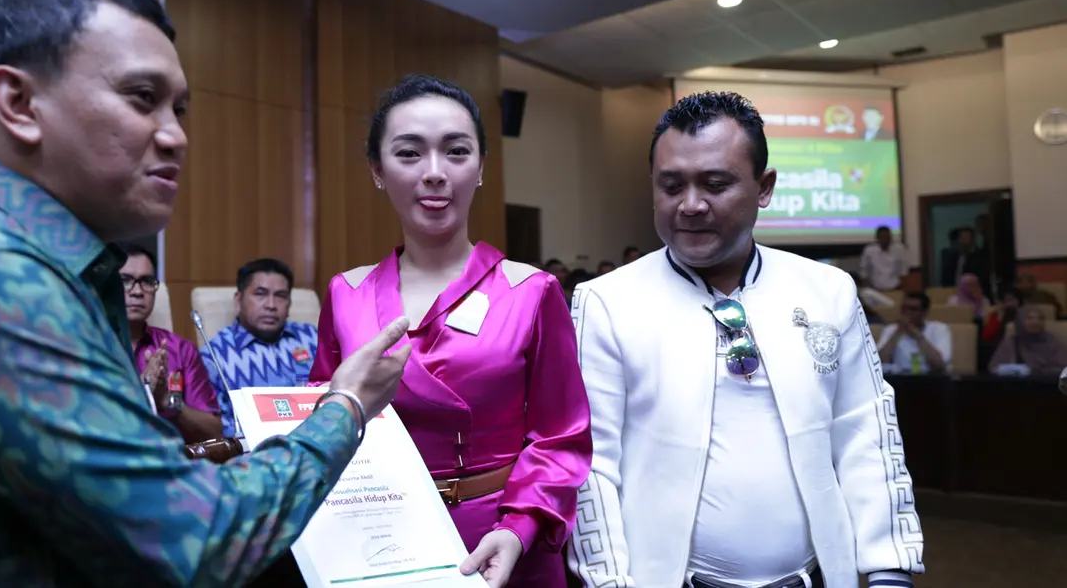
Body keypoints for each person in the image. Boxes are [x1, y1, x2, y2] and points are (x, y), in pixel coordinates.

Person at [0, 0, 414, 586]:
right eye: (142, 98)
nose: (176, 136)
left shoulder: (36, 259)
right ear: (19, 104)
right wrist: (347, 407)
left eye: (179, 109)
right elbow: (196, 539)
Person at [568, 91, 924, 588]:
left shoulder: (827, 290)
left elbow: (867, 430)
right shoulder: (607, 301)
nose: (691, 205)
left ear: (764, 187)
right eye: (671, 186)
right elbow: (591, 465)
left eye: (716, 184)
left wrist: (889, 567)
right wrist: (608, 581)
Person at [309, 74, 592, 588]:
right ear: (377, 170)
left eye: (457, 152)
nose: (435, 173)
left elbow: (561, 436)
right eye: (409, 153)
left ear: (481, 168)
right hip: (379, 534)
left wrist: (519, 528)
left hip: (502, 536)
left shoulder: (531, 291)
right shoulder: (346, 293)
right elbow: (326, 416)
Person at [201, 257, 320, 438]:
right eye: (260, 294)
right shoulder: (215, 356)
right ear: (238, 300)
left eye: (280, 296)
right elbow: (220, 428)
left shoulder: (311, 338)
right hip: (254, 450)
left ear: (289, 303)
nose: (271, 305)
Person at [120, 243, 222, 442]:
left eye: (146, 281)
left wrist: (168, 401)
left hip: (171, 456)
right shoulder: (89, 344)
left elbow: (213, 432)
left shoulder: (180, 349)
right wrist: (140, 392)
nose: (137, 291)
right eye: (125, 280)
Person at [988, 305, 1067, 378]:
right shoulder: (1012, 343)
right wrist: (1016, 370)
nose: (1036, 322)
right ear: (1020, 321)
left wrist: (1040, 371)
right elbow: (994, 368)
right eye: (1029, 318)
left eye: (1040, 318)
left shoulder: (1053, 342)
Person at [858, 225, 908, 292]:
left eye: (887, 237)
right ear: (877, 238)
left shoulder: (899, 250)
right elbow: (864, 270)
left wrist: (902, 285)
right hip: (875, 288)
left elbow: (903, 269)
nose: (885, 239)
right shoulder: (869, 251)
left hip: (895, 287)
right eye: (883, 237)